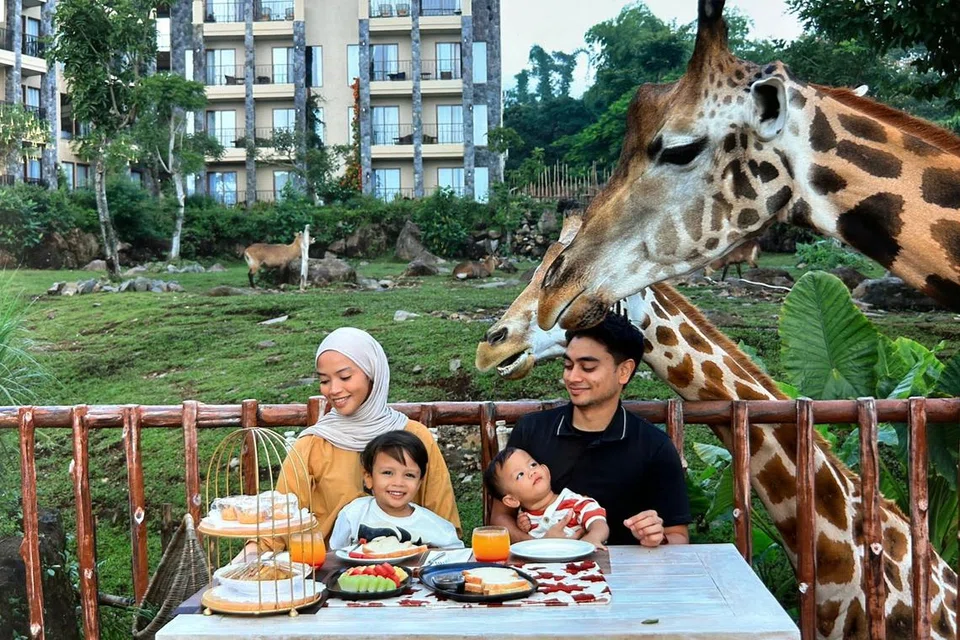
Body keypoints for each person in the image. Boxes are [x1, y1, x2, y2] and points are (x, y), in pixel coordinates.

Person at [246, 328, 461, 558]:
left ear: (372, 374)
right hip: (329, 576)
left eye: (345, 377)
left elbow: (444, 523)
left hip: (411, 573)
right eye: (324, 380)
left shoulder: (415, 437)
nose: (334, 390)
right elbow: (279, 521)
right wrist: (249, 555)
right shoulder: (312, 444)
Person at [490, 313, 691, 547]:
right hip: (542, 575)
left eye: (587, 367)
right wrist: (541, 546)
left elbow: (678, 536)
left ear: (624, 371)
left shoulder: (654, 447)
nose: (572, 377)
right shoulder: (532, 429)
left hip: (622, 576)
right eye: (568, 365)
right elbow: (500, 517)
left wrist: (657, 536)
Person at [329, 431, 464, 550]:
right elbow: (335, 557)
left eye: (409, 475)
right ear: (369, 478)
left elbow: (456, 559)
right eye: (388, 473)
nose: (398, 483)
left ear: (419, 483)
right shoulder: (353, 514)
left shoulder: (436, 526)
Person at [483, 447, 609, 549]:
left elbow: (599, 523)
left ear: (546, 470)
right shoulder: (524, 521)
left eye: (532, 465)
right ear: (511, 500)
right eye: (520, 474)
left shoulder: (574, 503)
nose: (531, 472)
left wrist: (593, 538)